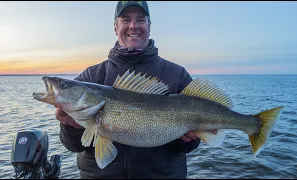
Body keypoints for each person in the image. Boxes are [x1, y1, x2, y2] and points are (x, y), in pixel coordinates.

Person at [56, 1, 216, 179]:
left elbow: (187, 147)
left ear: (149, 26)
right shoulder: (91, 76)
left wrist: (189, 139)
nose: (133, 26)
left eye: (140, 19)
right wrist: (71, 127)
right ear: (115, 27)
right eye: (125, 20)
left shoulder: (177, 75)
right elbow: (73, 146)